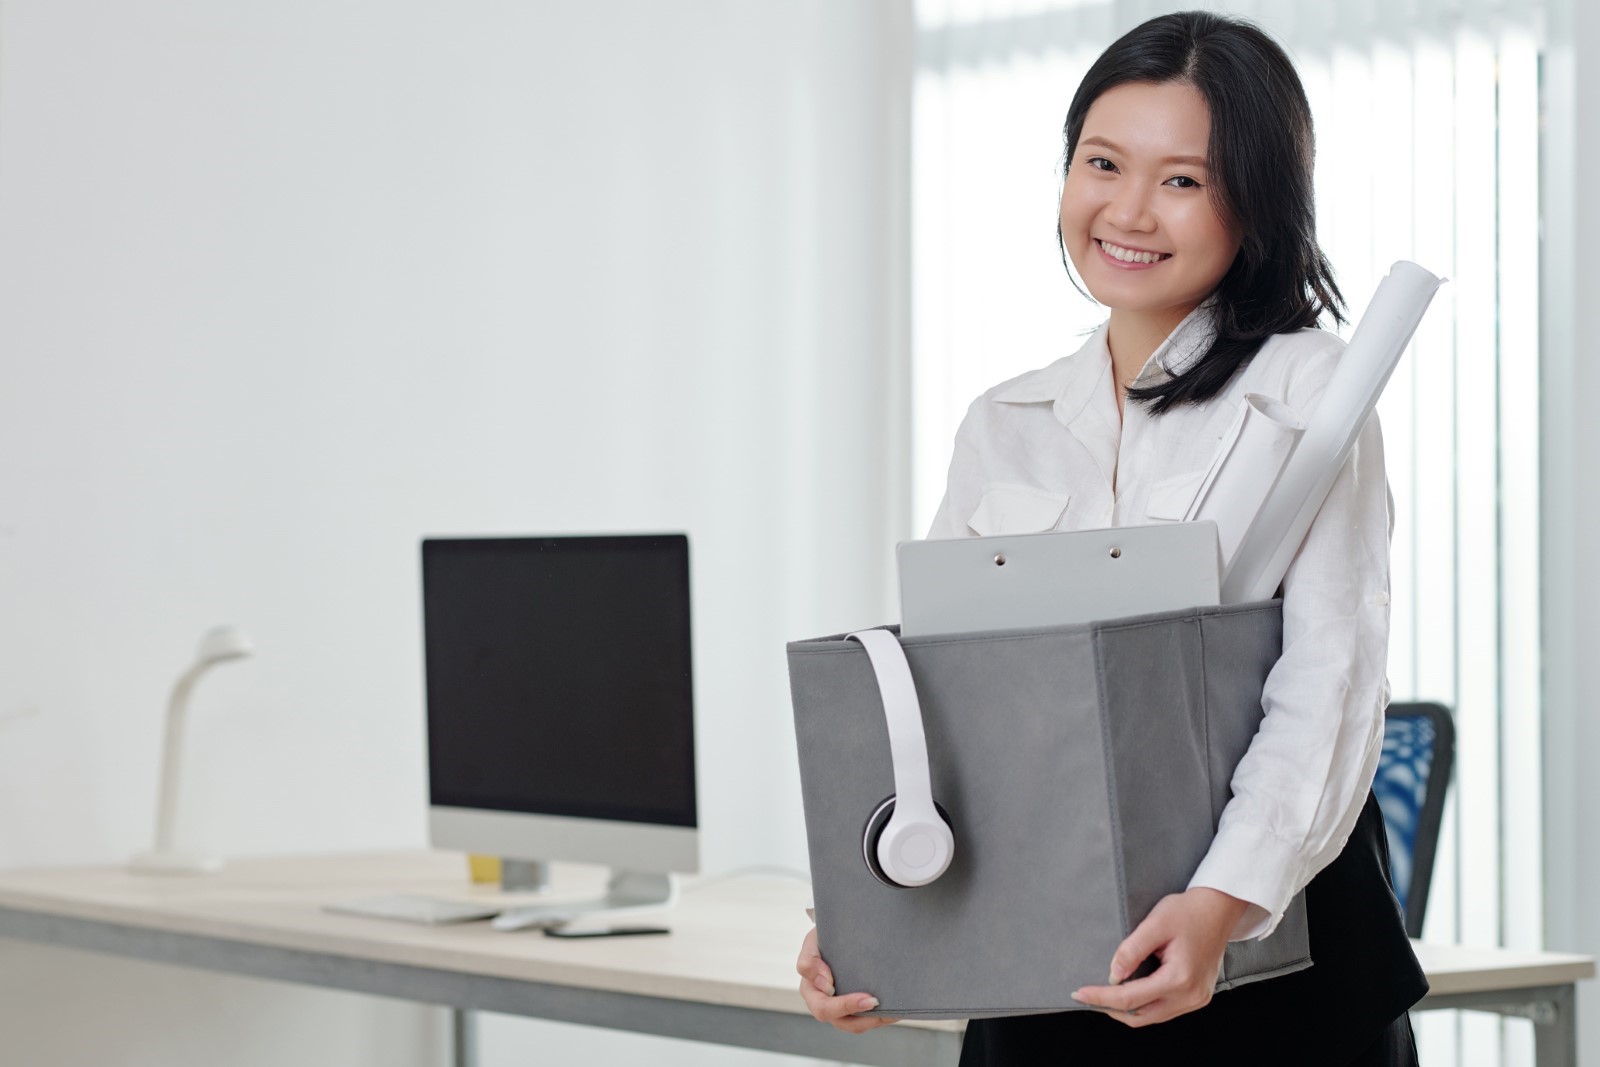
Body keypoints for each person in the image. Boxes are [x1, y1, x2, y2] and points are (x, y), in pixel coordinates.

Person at [795, 10, 1428, 1065]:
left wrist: (1221, 903)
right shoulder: (1007, 422)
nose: (1128, 209)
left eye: (1182, 179)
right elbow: (944, 702)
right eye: (1102, 162)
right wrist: (874, 916)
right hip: (1046, 965)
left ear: (1255, 204)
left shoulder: (1311, 396)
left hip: (1268, 970)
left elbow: (1330, 683)